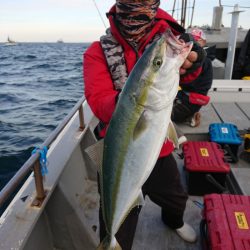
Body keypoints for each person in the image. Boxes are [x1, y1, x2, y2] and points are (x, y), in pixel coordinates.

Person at [83, 1, 206, 249]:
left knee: (176, 197)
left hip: (157, 148)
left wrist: (198, 61)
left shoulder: (164, 40)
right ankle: (111, 242)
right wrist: (131, 102)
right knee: (116, 222)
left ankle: (174, 222)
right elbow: (98, 100)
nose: (133, 18)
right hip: (116, 151)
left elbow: (188, 77)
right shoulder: (97, 52)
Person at [171, 28, 213, 127]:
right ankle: (191, 114)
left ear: (204, 42)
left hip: (191, 100)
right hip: (181, 95)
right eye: (191, 41)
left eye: (197, 40)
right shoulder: (188, 58)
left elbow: (188, 81)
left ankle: (190, 116)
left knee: (167, 116)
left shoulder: (205, 61)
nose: (193, 44)